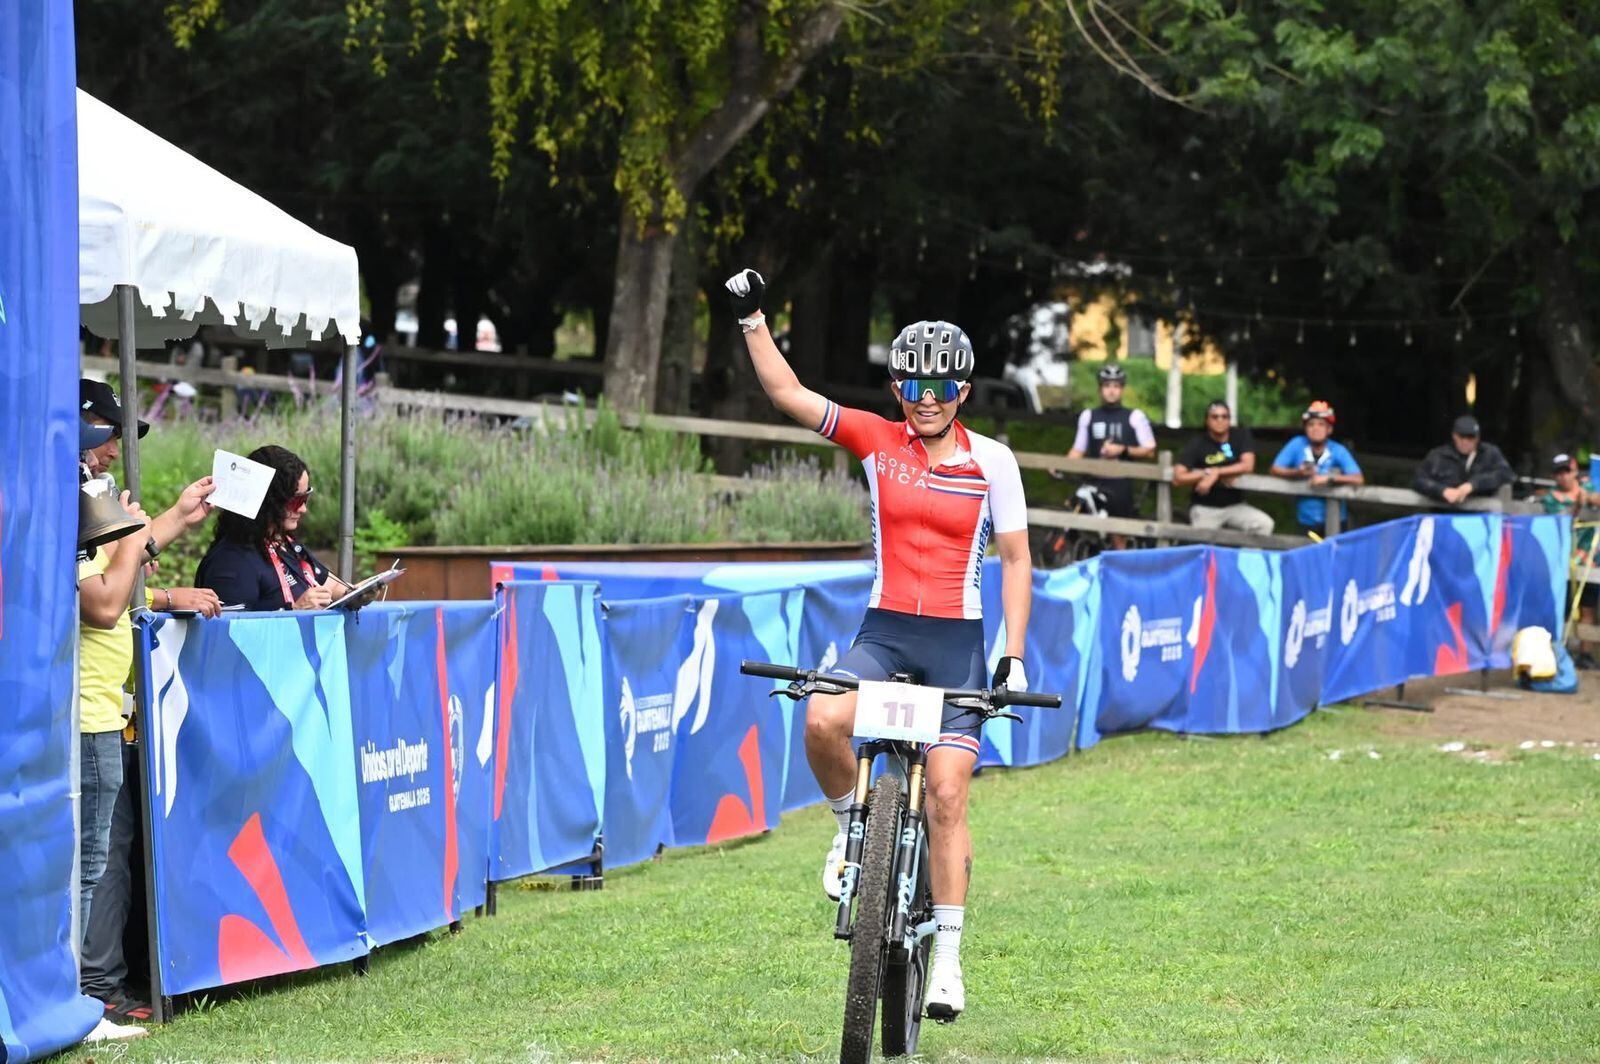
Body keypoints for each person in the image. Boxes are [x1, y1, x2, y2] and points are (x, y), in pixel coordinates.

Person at [726, 267, 1032, 1020]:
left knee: (948, 793)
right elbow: (791, 396)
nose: (927, 401)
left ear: (963, 391)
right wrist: (752, 317)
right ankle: (843, 835)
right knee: (823, 719)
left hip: (957, 644)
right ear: (898, 389)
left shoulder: (993, 461)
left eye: (942, 389)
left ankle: (950, 960)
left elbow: (1019, 560)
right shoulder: (876, 440)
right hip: (885, 632)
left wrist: (1014, 655)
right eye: (913, 387)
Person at [196, 445, 352, 610]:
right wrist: (296, 610)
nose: (303, 509)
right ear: (269, 501)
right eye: (296, 501)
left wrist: (357, 593)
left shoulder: (285, 544)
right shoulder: (230, 562)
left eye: (306, 497)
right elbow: (231, 629)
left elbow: (334, 587)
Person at [1066, 363, 1155, 549]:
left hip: (1120, 482)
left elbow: (1149, 449)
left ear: (1122, 389)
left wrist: (1123, 450)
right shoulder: (1088, 416)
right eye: (1107, 386)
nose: (1111, 391)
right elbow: (1078, 449)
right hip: (1093, 480)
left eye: (1116, 386)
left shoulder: (1134, 416)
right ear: (1100, 389)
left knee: (1118, 534)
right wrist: (1061, 464)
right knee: (1076, 519)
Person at [1536, 453, 1600, 667]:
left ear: (1574, 471)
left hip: (1589, 559)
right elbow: (1564, 517)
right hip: (1562, 562)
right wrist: (1578, 505)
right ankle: (1558, 651)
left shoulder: (1589, 488)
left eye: (1567, 471)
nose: (1563, 476)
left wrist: (1590, 499)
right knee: (1562, 608)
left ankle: (1586, 654)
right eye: (1559, 472)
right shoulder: (1550, 498)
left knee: (1588, 608)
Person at [1172, 401, 1273, 535]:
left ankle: (1245, 557)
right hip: (1205, 507)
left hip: (1236, 505)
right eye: (1215, 417)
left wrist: (1217, 472)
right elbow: (1179, 477)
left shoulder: (1240, 436)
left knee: (1264, 524)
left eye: (1224, 417)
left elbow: (1248, 465)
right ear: (1207, 420)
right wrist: (1206, 473)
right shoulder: (1197, 443)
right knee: (1203, 544)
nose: (1220, 420)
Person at [1269, 400, 1365, 536]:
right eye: (1311, 424)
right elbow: (1275, 469)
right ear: (1305, 428)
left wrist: (1328, 479)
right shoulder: (1297, 444)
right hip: (1306, 520)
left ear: (1329, 429)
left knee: (1333, 555)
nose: (1316, 429)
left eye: (1321, 424)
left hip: (1336, 519)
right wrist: (1298, 472)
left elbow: (1358, 478)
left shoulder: (1338, 450)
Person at [1412, 415, 1514, 506]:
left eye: (1470, 437)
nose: (1465, 442)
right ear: (1454, 436)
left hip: (1481, 515)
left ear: (1477, 438)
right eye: (1461, 436)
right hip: (1444, 513)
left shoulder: (1490, 453)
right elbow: (1418, 480)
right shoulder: (1438, 455)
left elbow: (1506, 474)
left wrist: (1473, 485)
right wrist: (1442, 491)